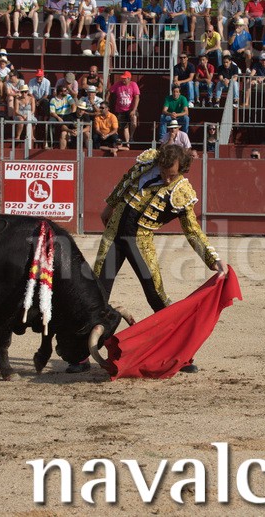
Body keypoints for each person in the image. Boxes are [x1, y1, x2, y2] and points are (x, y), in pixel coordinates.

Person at [93, 144, 226, 373]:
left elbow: (192, 230)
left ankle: (180, 355)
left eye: (172, 174)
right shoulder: (147, 163)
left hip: (139, 244)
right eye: (164, 172)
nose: (166, 178)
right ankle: (78, 355)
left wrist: (212, 258)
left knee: (156, 296)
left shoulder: (181, 191)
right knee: (96, 294)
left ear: (182, 168)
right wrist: (109, 207)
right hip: (113, 236)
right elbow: (125, 182)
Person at [109, 71, 140, 147]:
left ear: (129, 78)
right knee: (125, 126)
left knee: (134, 122)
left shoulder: (133, 84)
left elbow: (137, 98)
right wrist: (106, 100)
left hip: (130, 108)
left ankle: (131, 136)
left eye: (125, 78)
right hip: (120, 109)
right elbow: (109, 91)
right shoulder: (118, 84)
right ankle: (128, 143)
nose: (123, 80)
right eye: (122, 78)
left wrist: (134, 109)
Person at [49, 84, 76, 149]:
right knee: (50, 122)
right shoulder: (53, 100)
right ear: (60, 92)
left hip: (68, 115)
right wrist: (58, 118)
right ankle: (50, 141)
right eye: (65, 91)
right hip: (57, 115)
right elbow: (52, 112)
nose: (67, 91)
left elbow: (73, 105)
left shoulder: (68, 96)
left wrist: (73, 114)